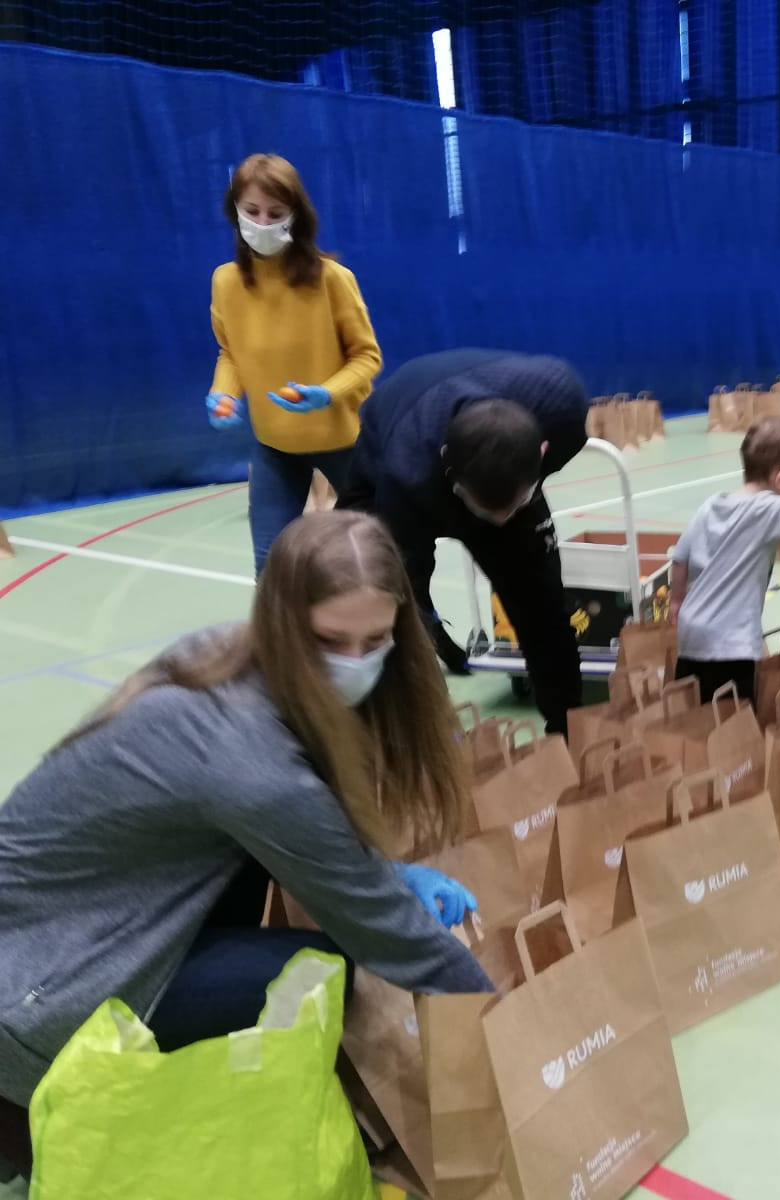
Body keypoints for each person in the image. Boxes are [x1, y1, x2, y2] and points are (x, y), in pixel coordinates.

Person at [0, 513, 488, 1177]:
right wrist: (504, 1023)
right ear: (284, 624)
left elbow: (310, 836)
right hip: (37, 1000)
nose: (355, 662)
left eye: (375, 640)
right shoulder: (248, 762)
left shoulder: (223, 653)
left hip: (72, 930)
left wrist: (385, 874)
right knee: (321, 972)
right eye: (330, 639)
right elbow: (389, 935)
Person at [338, 349, 589, 737]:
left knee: (543, 607)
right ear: (447, 465)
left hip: (489, 462)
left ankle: (568, 730)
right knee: (383, 605)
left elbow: (540, 608)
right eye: (487, 512)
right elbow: (403, 593)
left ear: (542, 452)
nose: (500, 523)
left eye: (513, 506)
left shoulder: (564, 412)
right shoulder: (405, 478)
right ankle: (414, 734)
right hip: (393, 447)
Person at [204, 154, 384, 574]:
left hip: (346, 444)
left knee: (380, 555)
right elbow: (230, 352)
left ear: (295, 215)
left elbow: (367, 356)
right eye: (251, 211)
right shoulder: (225, 281)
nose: (262, 223)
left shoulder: (332, 278)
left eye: (275, 212)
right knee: (270, 566)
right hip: (275, 446)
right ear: (235, 212)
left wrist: (327, 393)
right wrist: (223, 394)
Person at [669, 417, 780, 705]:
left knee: (693, 714)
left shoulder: (712, 505)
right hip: (730, 645)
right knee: (734, 719)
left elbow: (680, 559)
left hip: (691, 636)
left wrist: (676, 602)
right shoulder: (764, 509)